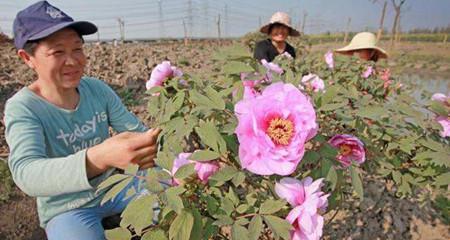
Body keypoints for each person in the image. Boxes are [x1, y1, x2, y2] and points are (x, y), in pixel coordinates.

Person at [5, 1, 159, 239]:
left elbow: (136, 132)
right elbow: (26, 172)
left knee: (171, 200)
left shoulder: (96, 89)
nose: (73, 61)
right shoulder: (24, 107)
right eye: (58, 52)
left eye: (77, 49)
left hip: (115, 187)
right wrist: (98, 158)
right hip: (67, 206)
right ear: (27, 58)